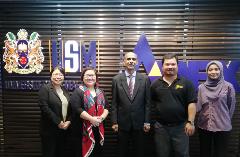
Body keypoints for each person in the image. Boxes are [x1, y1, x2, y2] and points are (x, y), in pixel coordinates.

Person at [150, 53, 197, 157]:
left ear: (177, 65)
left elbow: (192, 103)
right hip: (161, 128)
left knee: (182, 154)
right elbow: (150, 104)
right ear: (162, 66)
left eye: (173, 64)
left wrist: (191, 122)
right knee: (161, 154)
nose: (170, 67)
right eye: (167, 64)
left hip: (181, 127)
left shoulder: (187, 83)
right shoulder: (155, 84)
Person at [111, 52, 151, 157]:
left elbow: (148, 103)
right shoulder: (116, 79)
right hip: (122, 123)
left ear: (137, 62)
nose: (131, 61)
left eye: (133, 59)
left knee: (139, 151)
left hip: (140, 123)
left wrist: (147, 121)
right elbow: (114, 103)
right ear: (124, 62)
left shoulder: (145, 79)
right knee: (121, 151)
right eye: (128, 59)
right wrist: (114, 121)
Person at [197, 60, 236, 157]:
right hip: (204, 126)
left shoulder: (228, 87)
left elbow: (231, 107)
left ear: (221, 70)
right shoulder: (201, 88)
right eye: (210, 70)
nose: (213, 72)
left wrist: (224, 119)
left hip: (222, 127)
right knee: (204, 153)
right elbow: (198, 106)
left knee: (220, 153)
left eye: (216, 69)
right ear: (207, 72)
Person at [70, 67, 109, 157]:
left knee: (98, 152)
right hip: (82, 130)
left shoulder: (100, 91)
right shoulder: (78, 91)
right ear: (83, 78)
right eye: (87, 75)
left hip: (98, 128)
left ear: (96, 77)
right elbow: (77, 108)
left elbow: (107, 107)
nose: (90, 78)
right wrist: (91, 119)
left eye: (92, 75)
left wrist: (101, 118)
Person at [38, 66, 71, 157]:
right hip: (49, 130)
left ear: (63, 77)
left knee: (61, 153)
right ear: (51, 76)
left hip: (63, 129)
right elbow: (44, 107)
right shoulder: (45, 89)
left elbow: (70, 108)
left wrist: (69, 121)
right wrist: (58, 122)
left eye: (61, 74)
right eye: (55, 74)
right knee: (50, 153)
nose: (58, 77)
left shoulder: (65, 90)